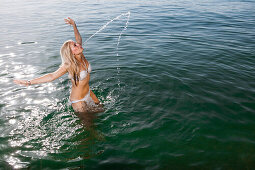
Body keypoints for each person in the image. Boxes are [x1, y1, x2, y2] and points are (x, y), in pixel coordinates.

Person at [14, 17, 104, 113]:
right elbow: (52, 76)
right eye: (75, 45)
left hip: (89, 93)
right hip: (79, 101)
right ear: (71, 52)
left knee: (102, 110)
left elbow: (78, 38)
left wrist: (74, 25)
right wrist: (29, 82)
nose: (78, 44)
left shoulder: (80, 55)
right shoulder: (69, 64)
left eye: (76, 44)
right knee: (90, 126)